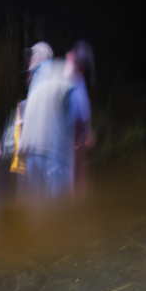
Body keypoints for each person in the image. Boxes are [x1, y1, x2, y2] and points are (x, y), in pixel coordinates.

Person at [19, 42, 91, 200]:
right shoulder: (70, 73)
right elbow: (81, 120)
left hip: (30, 151)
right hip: (52, 154)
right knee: (57, 209)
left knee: (38, 205)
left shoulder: (36, 79)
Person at [65, 40, 95, 196]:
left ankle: (77, 200)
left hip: (74, 131)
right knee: (73, 169)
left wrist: (86, 131)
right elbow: (82, 109)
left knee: (77, 168)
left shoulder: (77, 79)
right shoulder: (71, 79)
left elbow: (82, 109)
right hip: (69, 131)